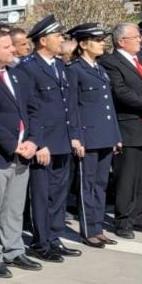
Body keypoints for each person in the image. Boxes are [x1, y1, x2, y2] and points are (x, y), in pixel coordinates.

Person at [0, 28, 41, 278]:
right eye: (7, 47)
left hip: (23, 153)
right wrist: (12, 144)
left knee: (14, 207)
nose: (14, 49)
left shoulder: (16, 75)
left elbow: (33, 110)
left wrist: (33, 141)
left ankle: (14, 249)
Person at [18, 15, 83, 262]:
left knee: (59, 194)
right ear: (43, 40)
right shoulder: (28, 68)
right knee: (42, 196)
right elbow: (29, 109)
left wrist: (74, 136)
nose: (62, 40)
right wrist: (40, 142)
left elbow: (69, 107)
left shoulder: (59, 66)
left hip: (63, 140)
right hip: (44, 144)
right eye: (57, 36)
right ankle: (41, 242)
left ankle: (54, 238)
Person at [99, 23, 142, 238]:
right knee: (127, 177)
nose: (140, 40)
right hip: (129, 127)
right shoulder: (110, 62)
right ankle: (124, 220)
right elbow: (120, 92)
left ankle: (140, 215)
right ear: (121, 41)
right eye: (135, 37)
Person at [66, 23, 122, 248]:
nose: (102, 43)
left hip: (104, 136)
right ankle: (88, 229)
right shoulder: (74, 70)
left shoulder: (99, 69)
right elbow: (72, 107)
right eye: (97, 40)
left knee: (100, 184)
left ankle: (98, 226)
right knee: (86, 185)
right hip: (87, 138)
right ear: (82, 44)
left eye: (102, 39)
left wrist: (115, 135)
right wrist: (75, 137)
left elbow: (108, 106)